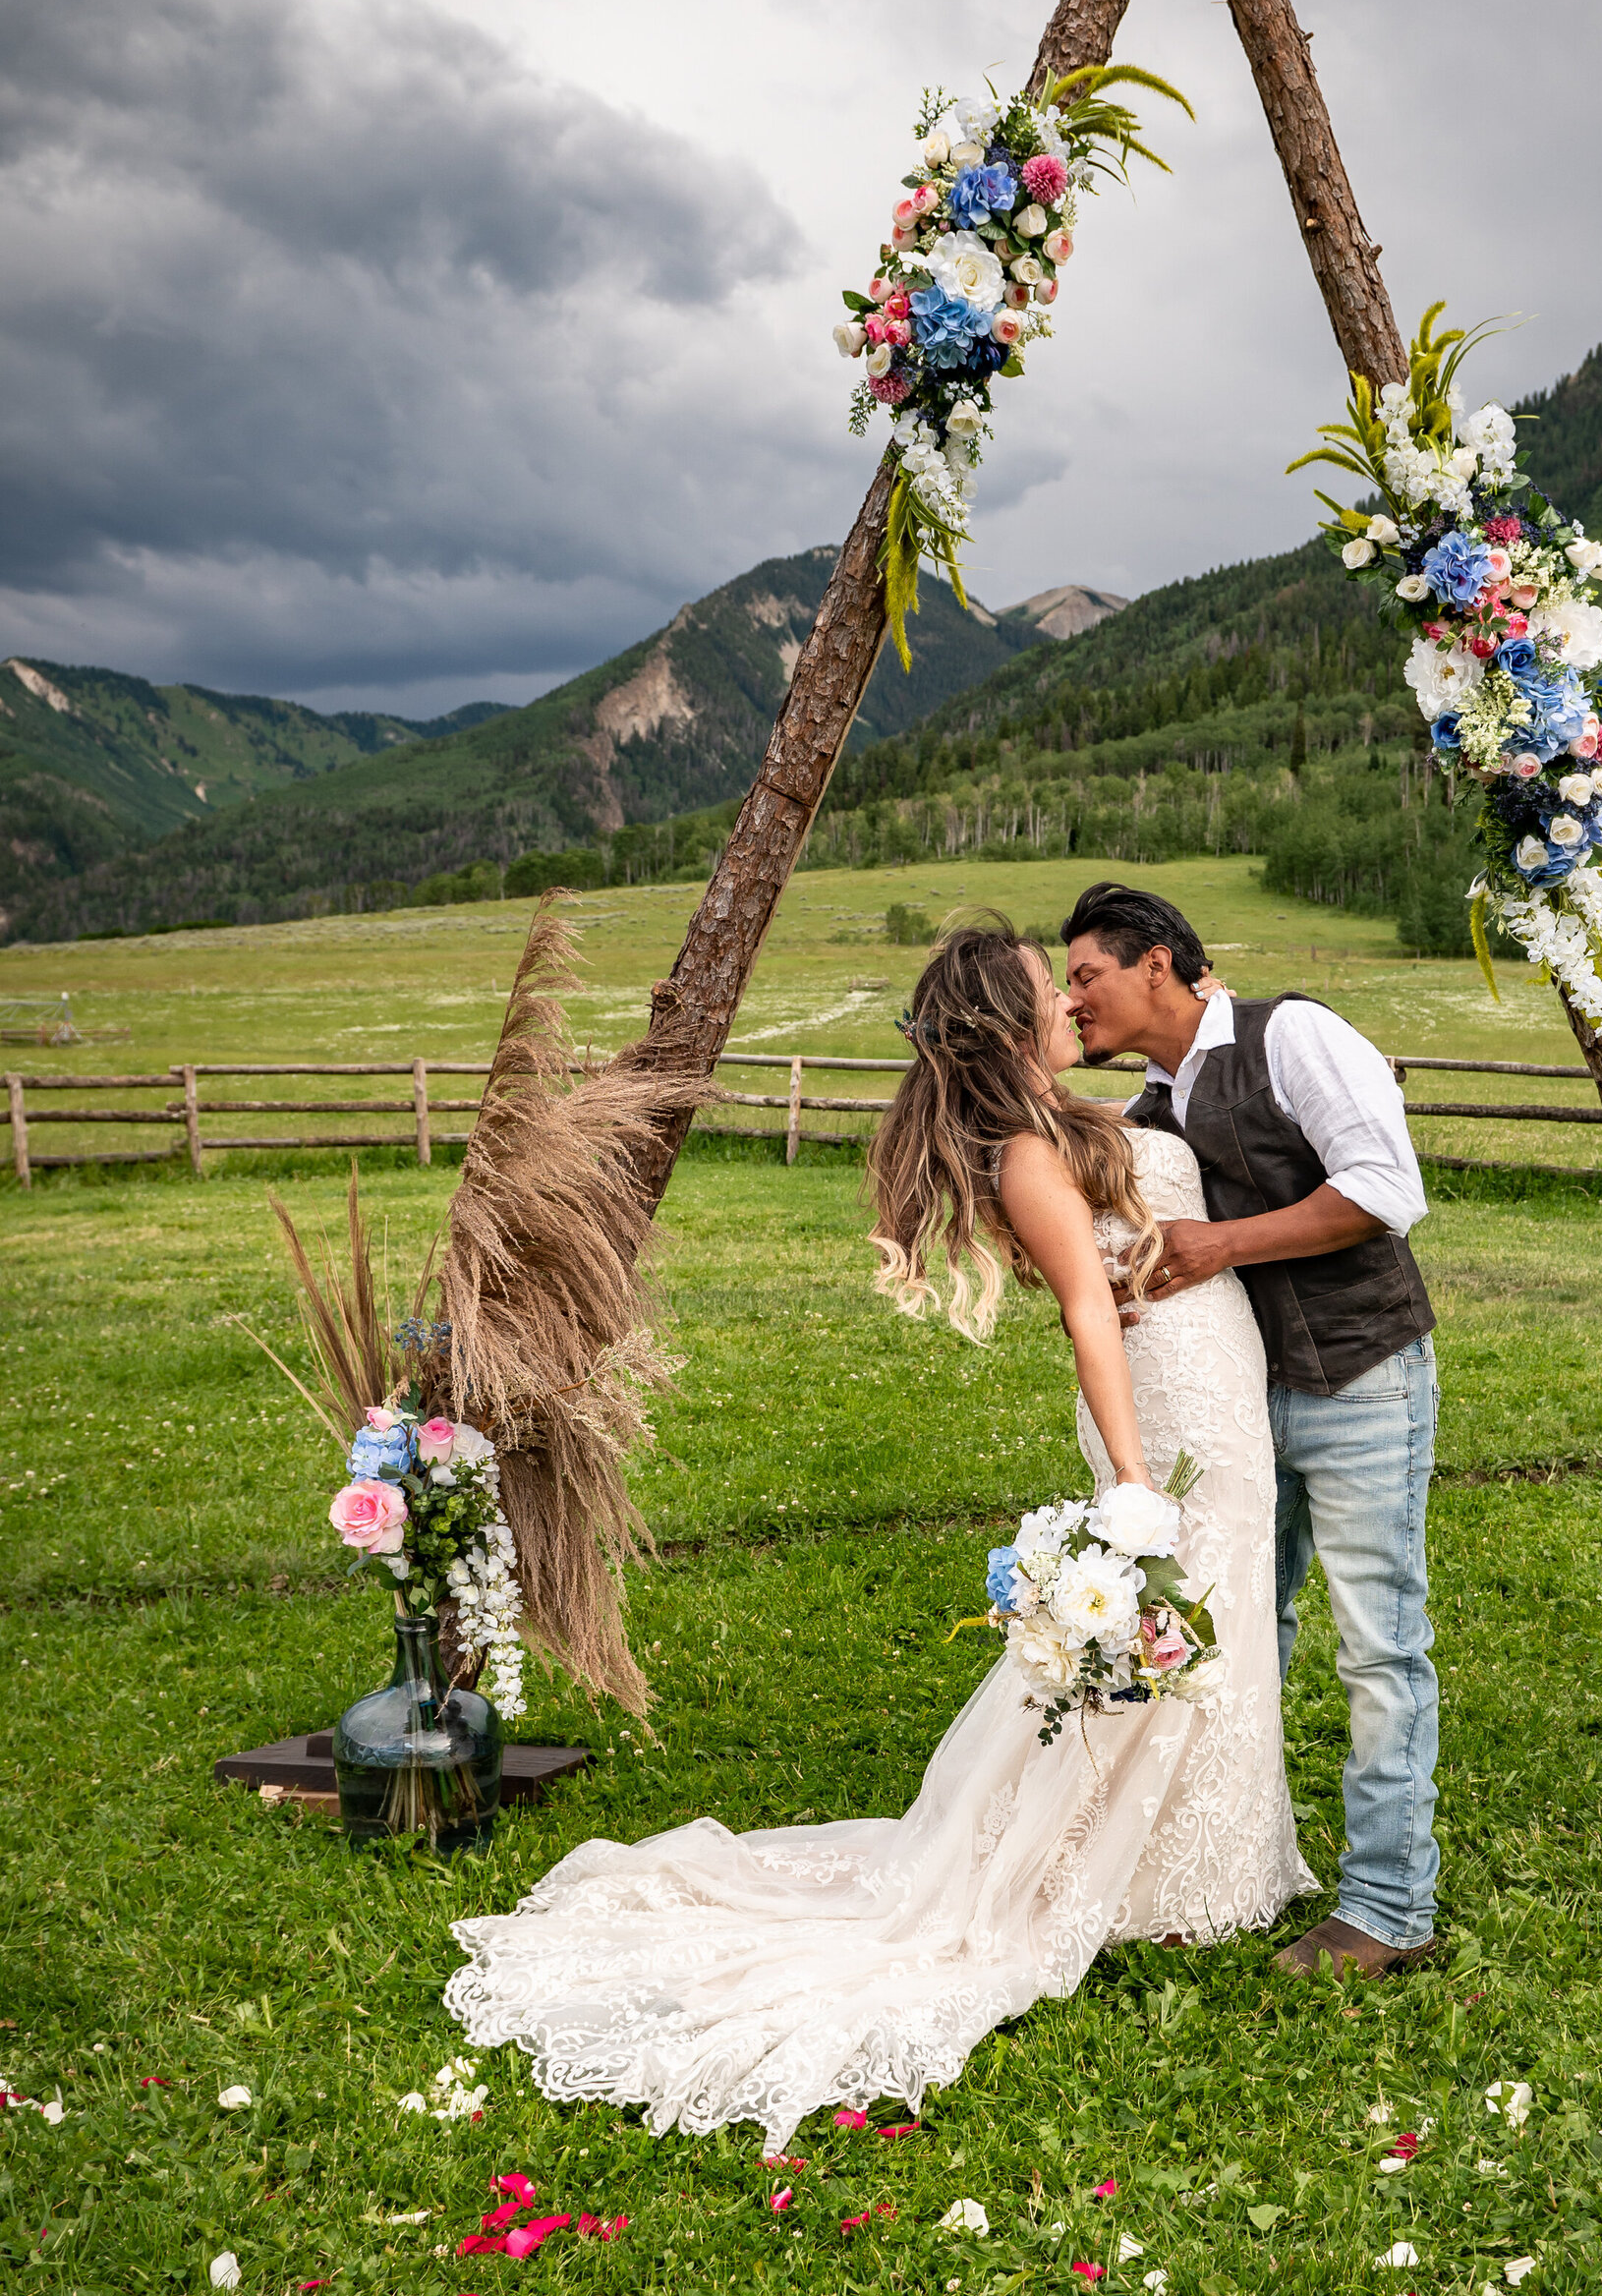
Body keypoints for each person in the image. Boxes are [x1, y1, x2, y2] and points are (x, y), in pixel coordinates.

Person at [442, 913, 1304, 2152]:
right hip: (1164, 1403)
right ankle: (1145, 1879)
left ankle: (1201, 1862)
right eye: (1047, 993)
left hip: (1212, 1376)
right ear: (1010, 1026)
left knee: (1208, 1630)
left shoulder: (1064, 1117)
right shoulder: (1022, 1149)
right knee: (1181, 1615)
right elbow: (1085, 1308)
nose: (1069, 1003)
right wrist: (1128, 1475)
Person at [1059, 882, 1440, 1980]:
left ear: (1159, 965)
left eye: (1086, 974)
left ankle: (1388, 1906)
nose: (1074, 998)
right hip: (1238, 1405)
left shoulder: (1295, 1034)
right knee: (1236, 1631)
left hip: (1364, 1375)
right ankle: (1224, 1865)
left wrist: (1219, 1242)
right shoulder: (1139, 1113)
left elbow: (1383, 1188)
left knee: (1377, 1643)